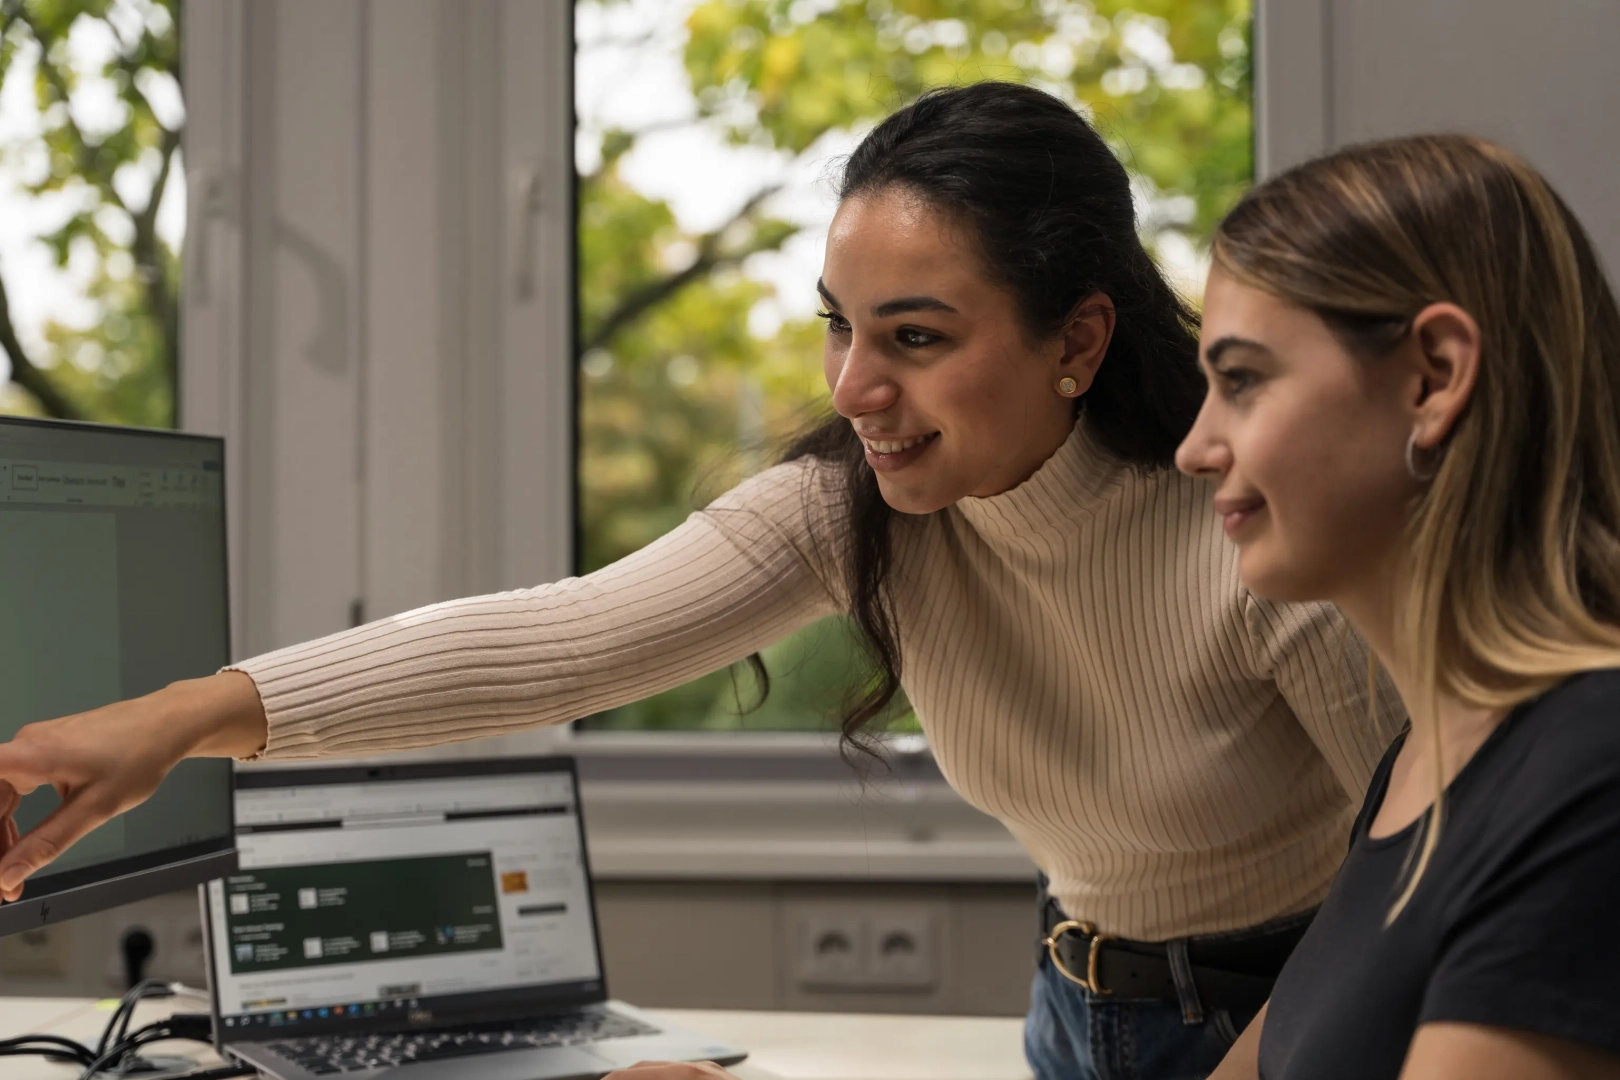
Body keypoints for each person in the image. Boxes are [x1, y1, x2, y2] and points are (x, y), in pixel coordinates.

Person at [0, 83, 1401, 1079]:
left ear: (1077, 342)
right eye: (840, 328)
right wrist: (179, 719)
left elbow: (1422, 889)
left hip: (1303, 1013)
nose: (853, 388)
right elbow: (562, 641)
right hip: (1075, 1003)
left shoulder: (1260, 539)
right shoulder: (860, 512)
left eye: (915, 337)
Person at [1169, 135, 1620, 1078]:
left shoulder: (1591, 769)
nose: (1196, 447)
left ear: (1434, 377)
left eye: (1241, 380)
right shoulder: (1420, 756)